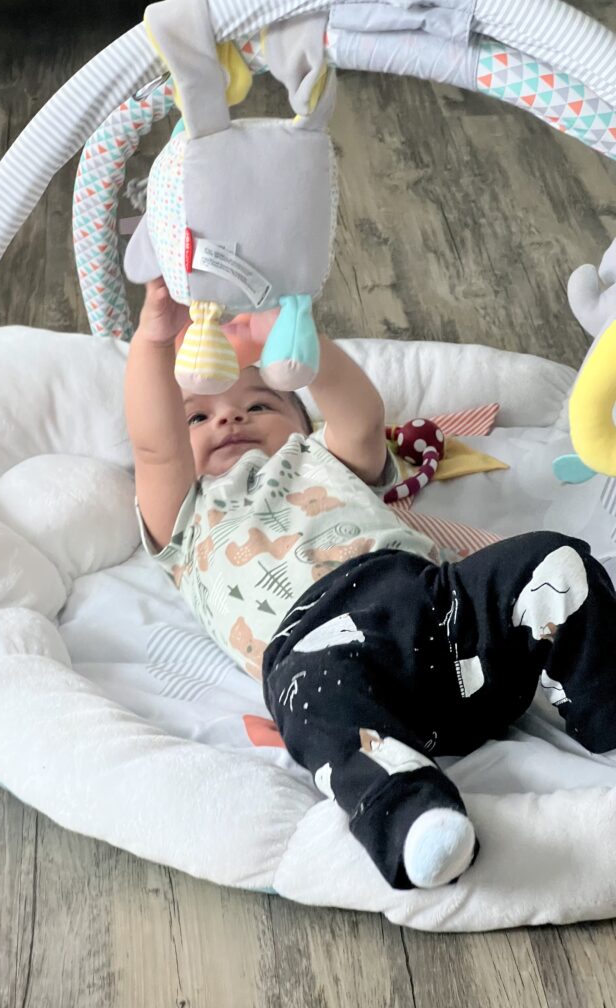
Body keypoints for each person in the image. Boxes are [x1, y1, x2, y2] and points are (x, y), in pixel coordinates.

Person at [125, 278, 616, 891]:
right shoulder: (188, 516)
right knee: (317, 711)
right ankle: (413, 815)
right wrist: (152, 339)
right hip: (320, 650)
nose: (228, 416)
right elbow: (153, 444)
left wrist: (293, 339)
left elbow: (359, 413)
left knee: (554, 562)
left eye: (259, 404)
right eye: (197, 414)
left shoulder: (319, 458)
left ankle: (608, 712)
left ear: (300, 420)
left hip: (437, 609)